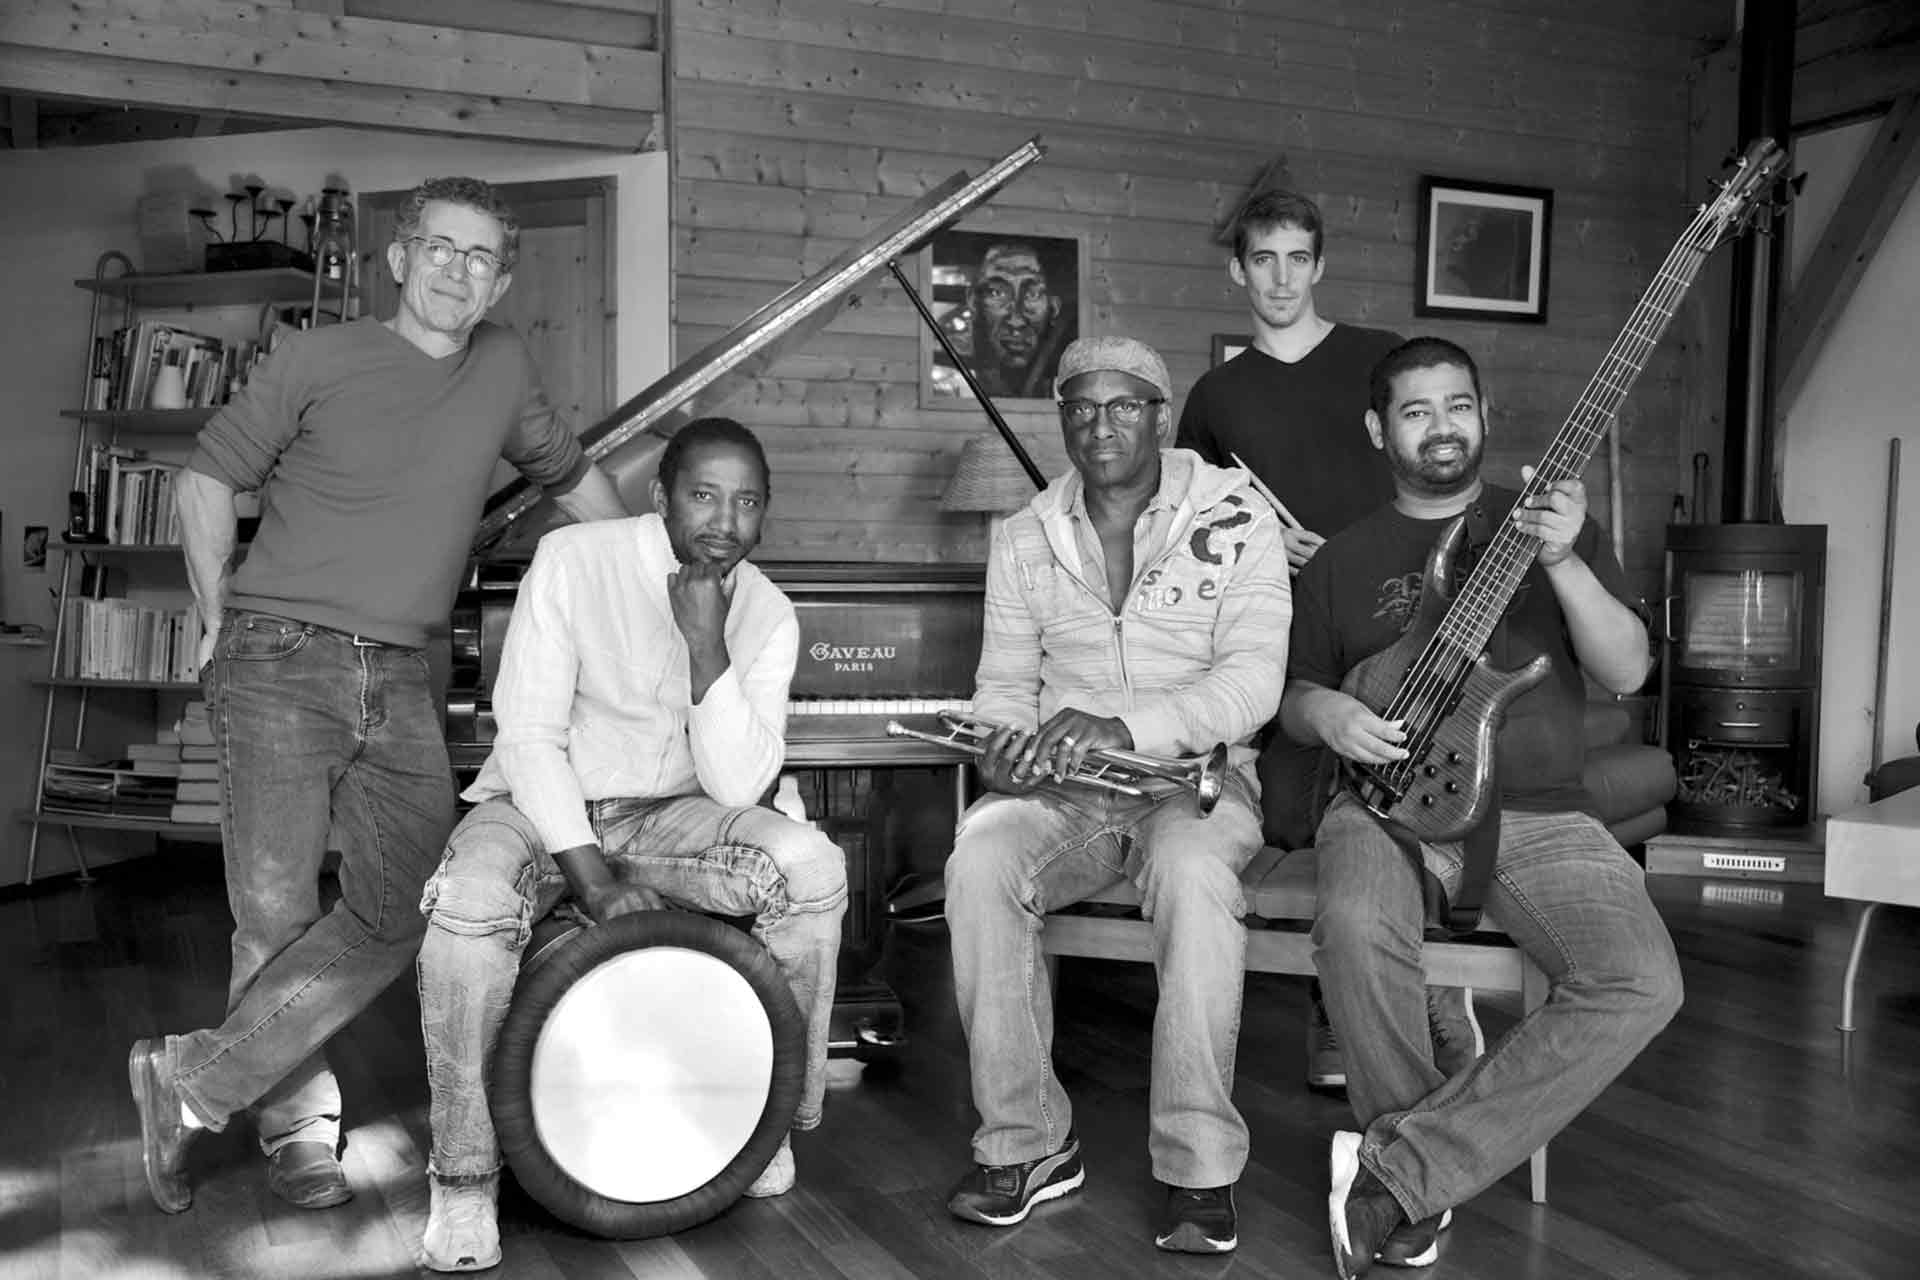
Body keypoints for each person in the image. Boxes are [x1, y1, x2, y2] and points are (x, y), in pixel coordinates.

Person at [129, 175, 629, 1216]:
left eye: (480, 257)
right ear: (399, 259)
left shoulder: (504, 367)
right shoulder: (317, 356)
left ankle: (189, 1080)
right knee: (274, 913)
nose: (457, 270)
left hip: (404, 671)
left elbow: (574, 479)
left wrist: (645, 571)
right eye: (439, 248)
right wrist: (216, 621)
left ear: (501, 282)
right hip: (279, 658)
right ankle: (297, 1131)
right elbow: (206, 478)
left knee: (407, 903)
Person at [1279, 337, 1683, 1276]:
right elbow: (1294, 697)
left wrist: (1565, 560)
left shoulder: (1552, 526)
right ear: (1379, 428)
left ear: (1486, 414)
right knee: (1354, 928)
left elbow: (1628, 671)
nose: (1442, 426)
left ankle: (1403, 1174)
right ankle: (1415, 1182)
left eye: (1458, 405)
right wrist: (1327, 712)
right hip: (1383, 804)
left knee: (1641, 980)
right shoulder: (1341, 560)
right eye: (1416, 410)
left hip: (1541, 810)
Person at [414, 417, 847, 1271]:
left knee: (812, 870)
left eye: (747, 502)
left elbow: (737, 784)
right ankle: (462, 1178)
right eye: (704, 495)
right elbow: (529, 737)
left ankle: (770, 1123)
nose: (725, 520)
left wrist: (706, 645)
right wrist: (592, 880)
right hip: (539, 804)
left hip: (675, 815)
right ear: (661, 497)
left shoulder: (769, 612)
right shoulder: (576, 560)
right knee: (466, 910)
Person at [942, 336, 1291, 1254]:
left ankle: (1198, 1167)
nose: (1101, 426)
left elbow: (1255, 683)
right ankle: (1027, 1145)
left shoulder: (1237, 517)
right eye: (1081, 408)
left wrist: (1127, 727)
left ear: (1161, 416)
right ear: (1063, 420)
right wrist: (1002, 750)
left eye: (1124, 406)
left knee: (1194, 877)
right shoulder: (1023, 537)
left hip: (1195, 784)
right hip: (1068, 795)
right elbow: (1002, 687)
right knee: (980, 857)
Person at [1174, 189, 1472, 1095]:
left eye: (1297, 259)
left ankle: (1425, 984)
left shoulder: (1379, 356)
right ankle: (1338, 1001)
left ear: (1319, 265)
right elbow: (1200, 519)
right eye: (1263, 260)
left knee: (1410, 786)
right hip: (1285, 620)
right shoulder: (1217, 396)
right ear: (1238, 271)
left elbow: (1429, 469)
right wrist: (1266, 539)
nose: (1281, 278)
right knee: (1306, 809)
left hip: (1393, 605)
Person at [953, 240, 1068, 399]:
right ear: (973, 301)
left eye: (1032, 295)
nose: (1016, 321)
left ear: (1054, 307)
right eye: (997, 293)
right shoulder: (951, 374)